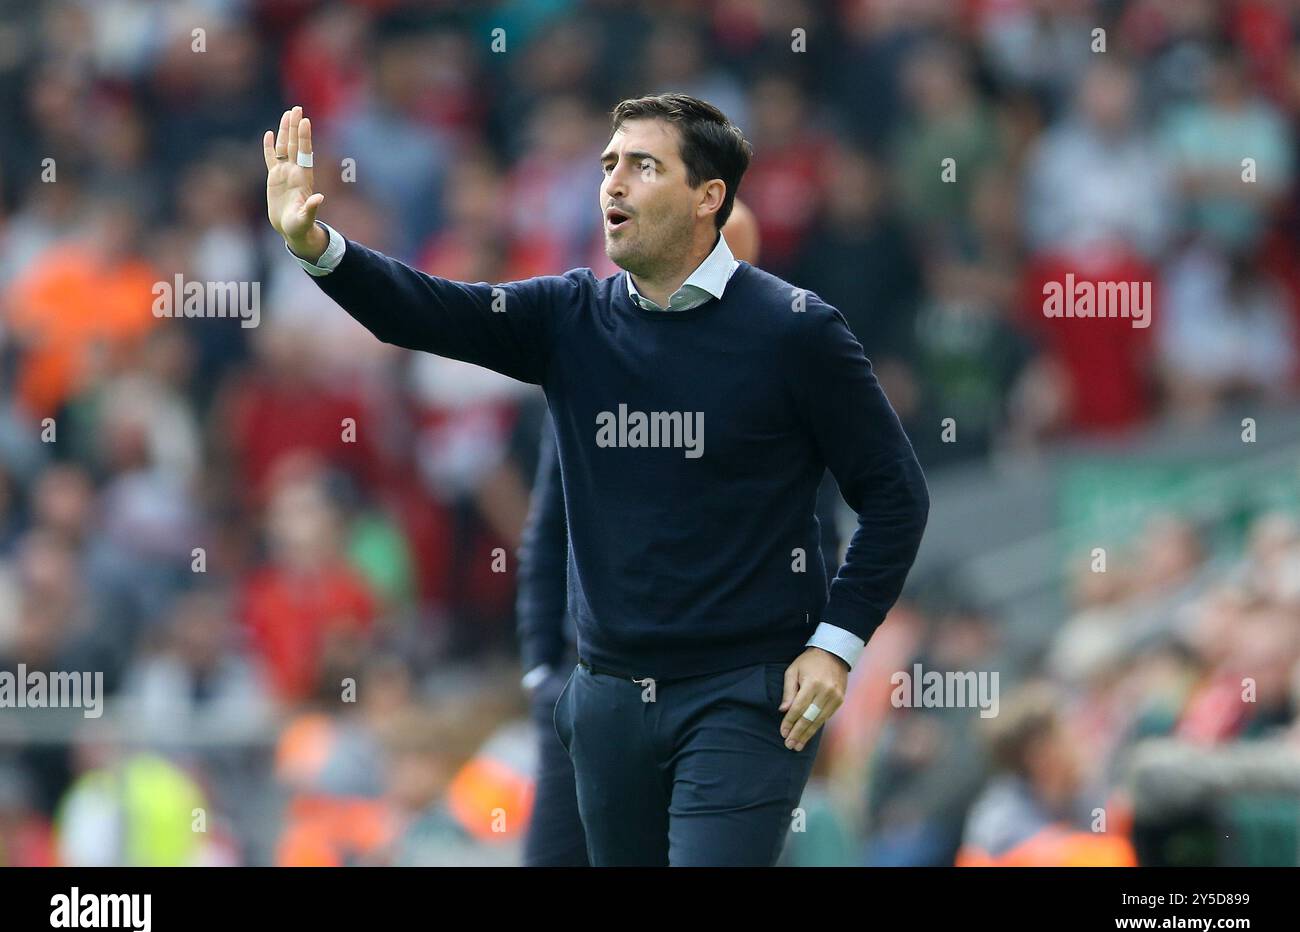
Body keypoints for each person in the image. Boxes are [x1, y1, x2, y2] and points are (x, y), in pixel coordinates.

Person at [264, 93, 930, 866]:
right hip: (609, 699)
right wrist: (316, 246)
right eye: (608, 164)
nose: (612, 183)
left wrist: (836, 644)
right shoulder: (570, 315)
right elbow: (423, 312)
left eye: (642, 166)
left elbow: (896, 496)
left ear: (709, 196)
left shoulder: (796, 328)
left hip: (746, 696)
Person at [515, 200, 845, 867]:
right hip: (599, 686)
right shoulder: (592, 362)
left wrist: (818, 650)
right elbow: (550, 530)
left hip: (731, 689)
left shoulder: (788, 366)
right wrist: (540, 671)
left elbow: (825, 538)